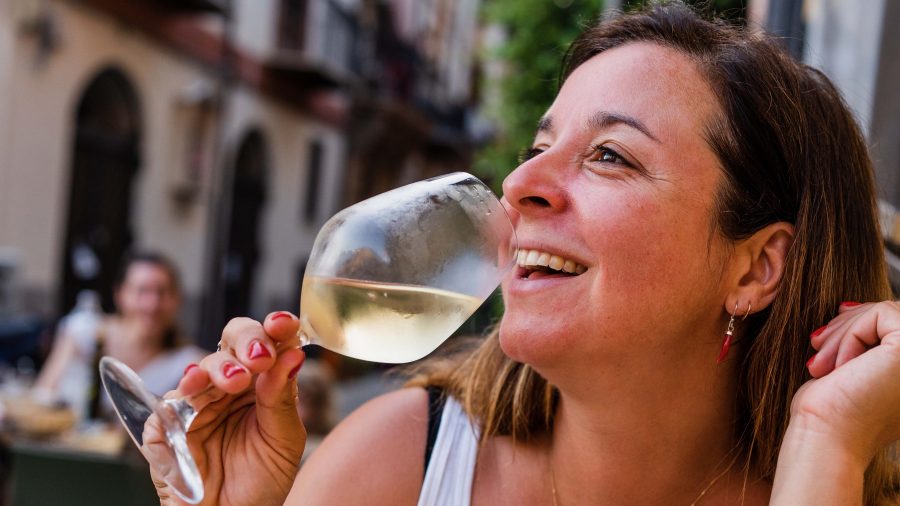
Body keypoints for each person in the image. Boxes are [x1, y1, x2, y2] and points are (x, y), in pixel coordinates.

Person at [152, 3, 900, 505]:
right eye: (540, 146)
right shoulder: (398, 464)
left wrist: (826, 437)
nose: (518, 184)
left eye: (610, 155)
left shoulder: (824, 480)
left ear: (755, 268)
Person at [35, 251, 204, 420]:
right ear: (120, 295)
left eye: (162, 292)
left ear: (177, 299)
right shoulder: (85, 332)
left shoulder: (185, 361)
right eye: (142, 291)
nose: (152, 304)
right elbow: (43, 394)